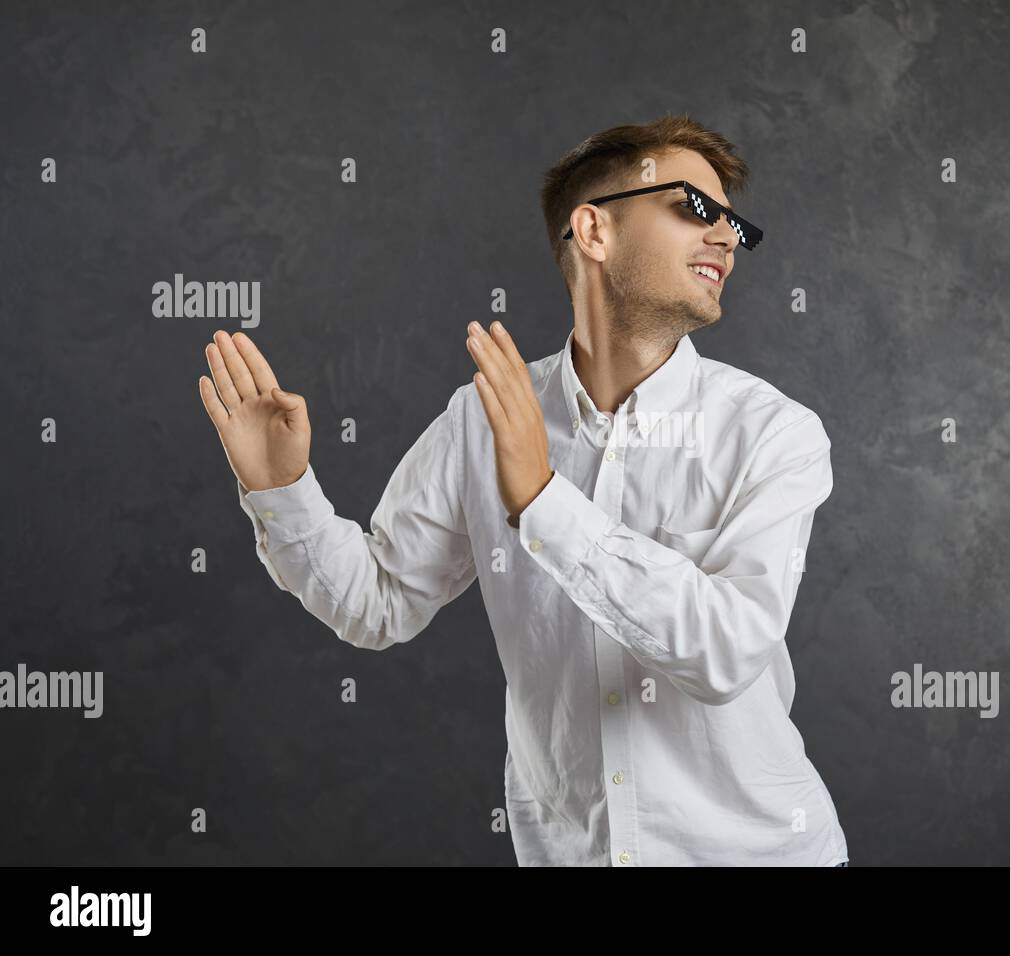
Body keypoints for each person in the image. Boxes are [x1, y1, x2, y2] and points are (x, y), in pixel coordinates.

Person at [197, 114, 849, 867]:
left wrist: (545, 501)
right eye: (696, 209)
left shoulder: (773, 433)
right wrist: (281, 488)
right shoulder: (481, 417)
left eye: (734, 222)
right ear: (594, 230)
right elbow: (379, 603)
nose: (727, 237)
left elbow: (726, 655)